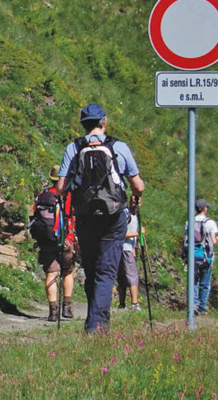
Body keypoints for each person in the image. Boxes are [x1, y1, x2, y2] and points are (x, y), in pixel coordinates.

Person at [56, 104, 145, 333]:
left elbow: (60, 187)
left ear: (83, 124)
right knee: (106, 272)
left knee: (92, 268)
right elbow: (138, 185)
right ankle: (97, 325)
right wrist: (136, 197)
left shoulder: (74, 147)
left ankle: (95, 321)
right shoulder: (118, 147)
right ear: (103, 121)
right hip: (113, 216)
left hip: (85, 216)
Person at [29, 165, 77, 321]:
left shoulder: (43, 194)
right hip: (65, 238)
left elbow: (33, 213)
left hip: (46, 239)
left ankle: (53, 311)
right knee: (68, 272)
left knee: (51, 273)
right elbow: (74, 215)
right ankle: (67, 308)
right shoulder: (68, 195)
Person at [184, 199, 218, 315]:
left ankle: (193, 305)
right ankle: (202, 308)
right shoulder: (210, 223)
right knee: (205, 284)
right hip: (206, 257)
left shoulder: (189, 222)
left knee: (193, 281)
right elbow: (213, 241)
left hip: (192, 256)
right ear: (204, 209)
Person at [116, 207, 141, 311]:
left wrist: (134, 248)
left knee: (122, 276)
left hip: (127, 249)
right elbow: (121, 233)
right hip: (125, 249)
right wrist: (138, 233)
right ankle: (134, 304)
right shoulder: (127, 215)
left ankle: (122, 304)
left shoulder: (136, 215)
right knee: (132, 276)